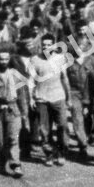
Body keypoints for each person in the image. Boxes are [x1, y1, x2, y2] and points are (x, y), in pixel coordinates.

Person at [0, 49, 29, 177]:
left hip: (13, 109)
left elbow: (22, 95)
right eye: (1, 59)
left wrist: (24, 113)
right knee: (0, 140)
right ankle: (2, 162)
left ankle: (16, 165)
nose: (3, 61)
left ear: (9, 60)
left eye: (6, 59)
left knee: (13, 137)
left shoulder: (15, 74)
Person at [29, 34, 71, 166]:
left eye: (49, 45)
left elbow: (65, 79)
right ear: (40, 45)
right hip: (41, 99)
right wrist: (31, 98)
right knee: (44, 129)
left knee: (62, 126)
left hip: (58, 97)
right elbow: (31, 81)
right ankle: (49, 154)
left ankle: (61, 153)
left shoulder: (60, 59)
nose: (46, 47)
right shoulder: (34, 59)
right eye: (44, 45)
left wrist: (68, 98)